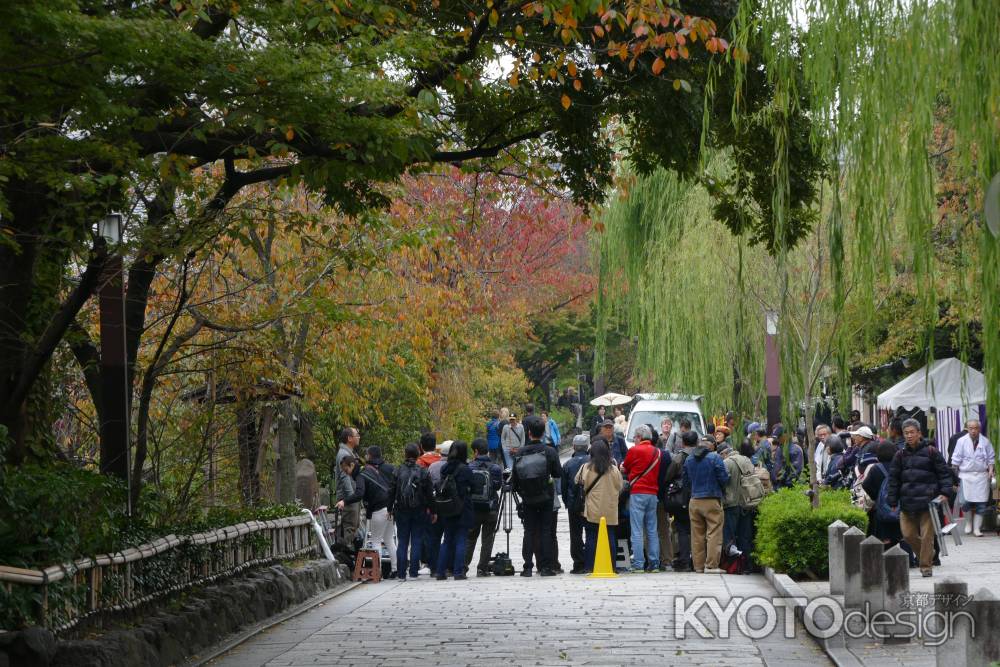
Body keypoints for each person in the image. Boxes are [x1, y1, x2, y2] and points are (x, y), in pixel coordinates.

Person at [886, 419, 953, 577]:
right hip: (907, 502)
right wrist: (893, 500)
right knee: (908, 535)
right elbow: (893, 479)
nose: (909, 436)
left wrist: (945, 492)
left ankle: (925, 566)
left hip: (928, 502)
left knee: (927, 536)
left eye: (912, 432)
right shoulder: (899, 455)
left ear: (919, 433)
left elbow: (944, 473)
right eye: (906, 433)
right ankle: (929, 553)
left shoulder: (931, 452)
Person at [511, 415, 562, 576]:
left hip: (527, 498)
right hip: (546, 496)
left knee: (529, 531)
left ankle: (527, 567)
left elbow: (515, 479)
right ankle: (546, 567)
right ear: (543, 433)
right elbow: (558, 473)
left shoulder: (520, 453)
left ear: (529, 432)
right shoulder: (549, 451)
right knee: (546, 530)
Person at [683, 431, 730, 574]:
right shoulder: (715, 458)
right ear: (712, 446)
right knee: (714, 532)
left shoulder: (689, 459)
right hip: (712, 499)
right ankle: (711, 566)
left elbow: (686, 481)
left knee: (697, 534)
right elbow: (724, 479)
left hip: (694, 500)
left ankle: (698, 566)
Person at [575, 440, 624, 573]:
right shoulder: (613, 469)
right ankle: (612, 566)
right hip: (610, 509)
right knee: (610, 536)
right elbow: (620, 486)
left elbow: (577, 481)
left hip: (592, 509)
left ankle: (589, 566)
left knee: (591, 537)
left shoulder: (586, 467)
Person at [622, 424, 662, 572]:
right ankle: (654, 563)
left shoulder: (634, 450)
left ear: (639, 437)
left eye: (635, 438)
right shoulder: (657, 452)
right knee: (652, 529)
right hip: (653, 494)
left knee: (637, 529)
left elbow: (625, 467)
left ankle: (638, 563)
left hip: (638, 492)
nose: (634, 440)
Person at [394, 443, 436, 580]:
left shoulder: (398, 470)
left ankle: (401, 573)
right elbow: (429, 494)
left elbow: (391, 491)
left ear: (405, 454)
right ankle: (413, 571)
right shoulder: (423, 471)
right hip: (419, 510)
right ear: (418, 455)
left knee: (402, 541)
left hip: (401, 510)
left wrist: (389, 508)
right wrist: (433, 511)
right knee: (417, 540)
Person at [435, 441, 474, 580]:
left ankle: (440, 571)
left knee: (447, 540)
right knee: (461, 540)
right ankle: (458, 572)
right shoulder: (465, 469)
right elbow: (473, 487)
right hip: (462, 508)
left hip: (447, 507)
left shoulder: (444, 468)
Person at [861, 441, 908, 557]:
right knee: (903, 534)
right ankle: (910, 560)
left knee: (885, 536)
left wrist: (876, 496)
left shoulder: (875, 469)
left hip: (882, 509)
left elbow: (865, 484)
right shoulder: (901, 466)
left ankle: (886, 557)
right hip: (900, 506)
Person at [950, 419, 995, 537]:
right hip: (966, 475)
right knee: (964, 502)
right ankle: (968, 522)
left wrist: (990, 471)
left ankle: (977, 529)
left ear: (979, 429)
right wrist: (955, 474)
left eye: (976, 428)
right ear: (967, 429)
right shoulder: (961, 441)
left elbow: (991, 459)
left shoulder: (985, 442)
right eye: (971, 428)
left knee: (981, 504)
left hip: (981, 476)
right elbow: (955, 459)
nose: (973, 431)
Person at [466, 438, 503, 575]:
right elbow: (498, 486)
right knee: (487, 538)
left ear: (475, 451)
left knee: (470, 538)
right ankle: (482, 568)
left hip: (473, 508)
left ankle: (463, 566)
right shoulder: (495, 468)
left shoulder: (469, 467)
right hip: (490, 508)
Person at [358, 446, 397, 575]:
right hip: (391, 508)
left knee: (376, 540)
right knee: (389, 539)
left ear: (369, 455)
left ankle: (377, 571)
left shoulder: (367, 471)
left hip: (377, 508)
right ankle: (396, 569)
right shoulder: (390, 468)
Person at [663, 430, 696, 571]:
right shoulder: (705, 456)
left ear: (683, 443)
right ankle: (698, 560)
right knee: (698, 530)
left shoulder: (678, 458)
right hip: (699, 496)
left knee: (682, 529)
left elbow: (668, 477)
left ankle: (684, 560)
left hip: (681, 498)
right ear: (697, 442)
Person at [561, 434, 591, 574]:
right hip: (591, 503)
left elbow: (563, 488)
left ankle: (578, 563)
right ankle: (590, 561)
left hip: (574, 504)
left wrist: (568, 503)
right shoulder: (592, 462)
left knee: (575, 534)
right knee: (591, 532)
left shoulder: (568, 464)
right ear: (587, 447)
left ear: (573, 447)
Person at [334, 427, 362, 547]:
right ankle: (346, 557)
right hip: (348, 497)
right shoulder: (343, 454)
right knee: (350, 527)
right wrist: (351, 497)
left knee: (354, 526)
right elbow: (344, 477)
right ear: (349, 438)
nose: (359, 437)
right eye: (357, 435)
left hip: (352, 496)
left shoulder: (350, 453)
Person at [770, 424, 803, 489]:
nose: (778, 439)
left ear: (785, 435)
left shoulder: (795, 450)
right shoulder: (779, 448)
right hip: (777, 486)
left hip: (788, 488)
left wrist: (784, 484)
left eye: (779, 437)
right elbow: (776, 465)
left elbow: (795, 472)